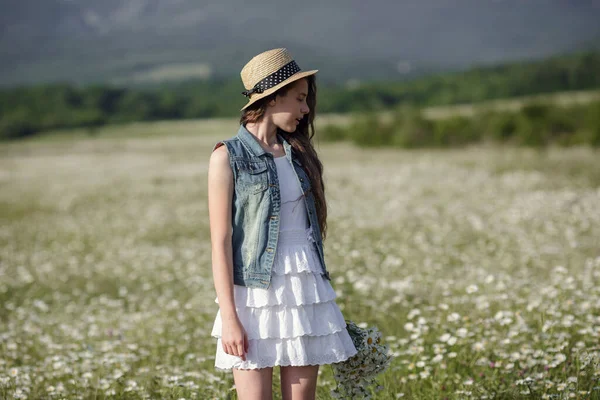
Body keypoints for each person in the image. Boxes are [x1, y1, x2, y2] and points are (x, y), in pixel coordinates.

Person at [208, 48, 357, 400]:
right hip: (252, 297)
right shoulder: (226, 157)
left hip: (304, 290)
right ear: (273, 98)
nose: (306, 109)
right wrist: (230, 317)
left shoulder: (299, 154)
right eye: (300, 98)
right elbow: (220, 242)